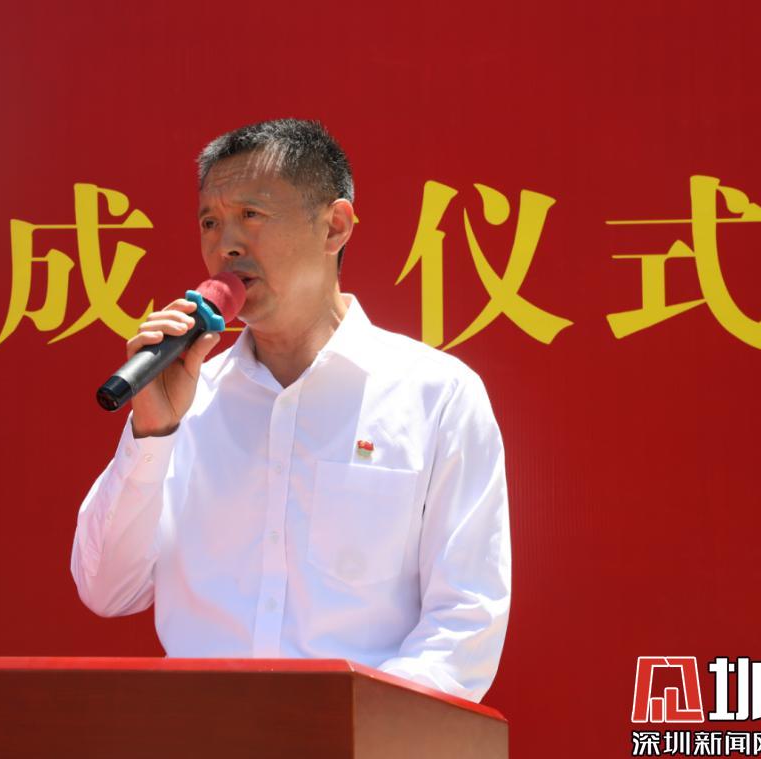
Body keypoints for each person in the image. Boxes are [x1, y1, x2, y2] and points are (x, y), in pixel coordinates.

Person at [71, 118, 511, 702]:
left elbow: (464, 623)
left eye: (251, 215)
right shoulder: (188, 400)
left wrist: (348, 730)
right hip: (200, 732)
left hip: (358, 736)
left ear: (334, 227)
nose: (225, 245)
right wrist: (152, 433)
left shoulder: (436, 395)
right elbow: (107, 590)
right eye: (210, 221)